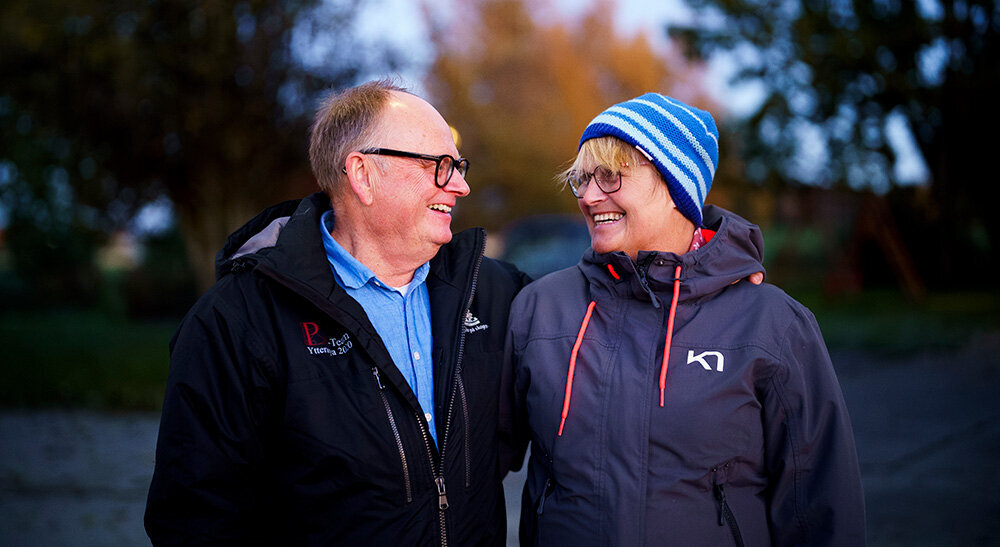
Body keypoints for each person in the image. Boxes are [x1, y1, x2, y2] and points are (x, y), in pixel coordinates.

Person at [145, 80, 529, 545]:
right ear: (363, 175)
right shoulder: (237, 319)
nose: (462, 186)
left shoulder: (495, 292)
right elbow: (194, 517)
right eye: (440, 166)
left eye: (459, 166)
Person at [500, 93, 865, 545]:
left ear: (677, 186)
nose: (590, 196)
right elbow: (469, 464)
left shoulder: (772, 324)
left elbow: (820, 508)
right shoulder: (540, 308)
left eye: (611, 176)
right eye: (582, 179)